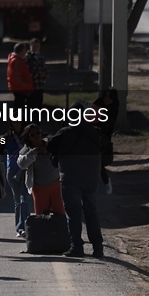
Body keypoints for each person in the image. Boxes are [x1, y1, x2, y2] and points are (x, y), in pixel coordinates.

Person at [46, 102, 104, 258]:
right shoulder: (96, 132)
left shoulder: (64, 132)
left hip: (70, 178)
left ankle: (77, 246)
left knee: (74, 213)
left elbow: (50, 147)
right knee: (91, 211)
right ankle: (98, 247)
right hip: (92, 177)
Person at [17, 124, 65, 215]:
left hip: (56, 185)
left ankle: (61, 229)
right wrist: (35, 151)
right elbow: (21, 164)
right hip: (39, 188)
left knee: (61, 214)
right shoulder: (27, 149)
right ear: (28, 138)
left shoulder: (50, 143)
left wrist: (49, 150)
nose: (36, 136)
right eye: (32, 135)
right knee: (41, 217)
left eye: (38, 133)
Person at [4, 119, 33, 237]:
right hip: (13, 171)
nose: (16, 124)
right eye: (14, 122)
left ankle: (27, 226)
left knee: (25, 199)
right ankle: (20, 228)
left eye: (18, 122)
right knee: (18, 201)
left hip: (26, 170)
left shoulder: (28, 136)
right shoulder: (7, 137)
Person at [93, 88, 119, 195]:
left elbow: (107, 125)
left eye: (110, 97)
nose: (107, 99)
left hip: (103, 138)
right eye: (106, 96)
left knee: (98, 161)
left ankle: (106, 181)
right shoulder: (98, 102)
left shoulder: (113, 108)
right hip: (92, 134)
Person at [7, 42, 34, 107]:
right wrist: (25, 84)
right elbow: (15, 75)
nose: (25, 52)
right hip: (19, 87)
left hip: (19, 87)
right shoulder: (16, 60)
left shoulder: (18, 59)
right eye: (24, 50)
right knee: (19, 104)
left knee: (19, 104)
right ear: (21, 51)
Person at [25, 38, 49, 108]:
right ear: (30, 46)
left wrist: (46, 74)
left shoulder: (41, 57)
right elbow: (27, 71)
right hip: (31, 86)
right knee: (31, 106)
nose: (36, 48)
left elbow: (45, 68)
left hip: (40, 86)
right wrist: (38, 75)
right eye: (34, 46)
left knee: (38, 105)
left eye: (37, 46)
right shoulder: (27, 57)